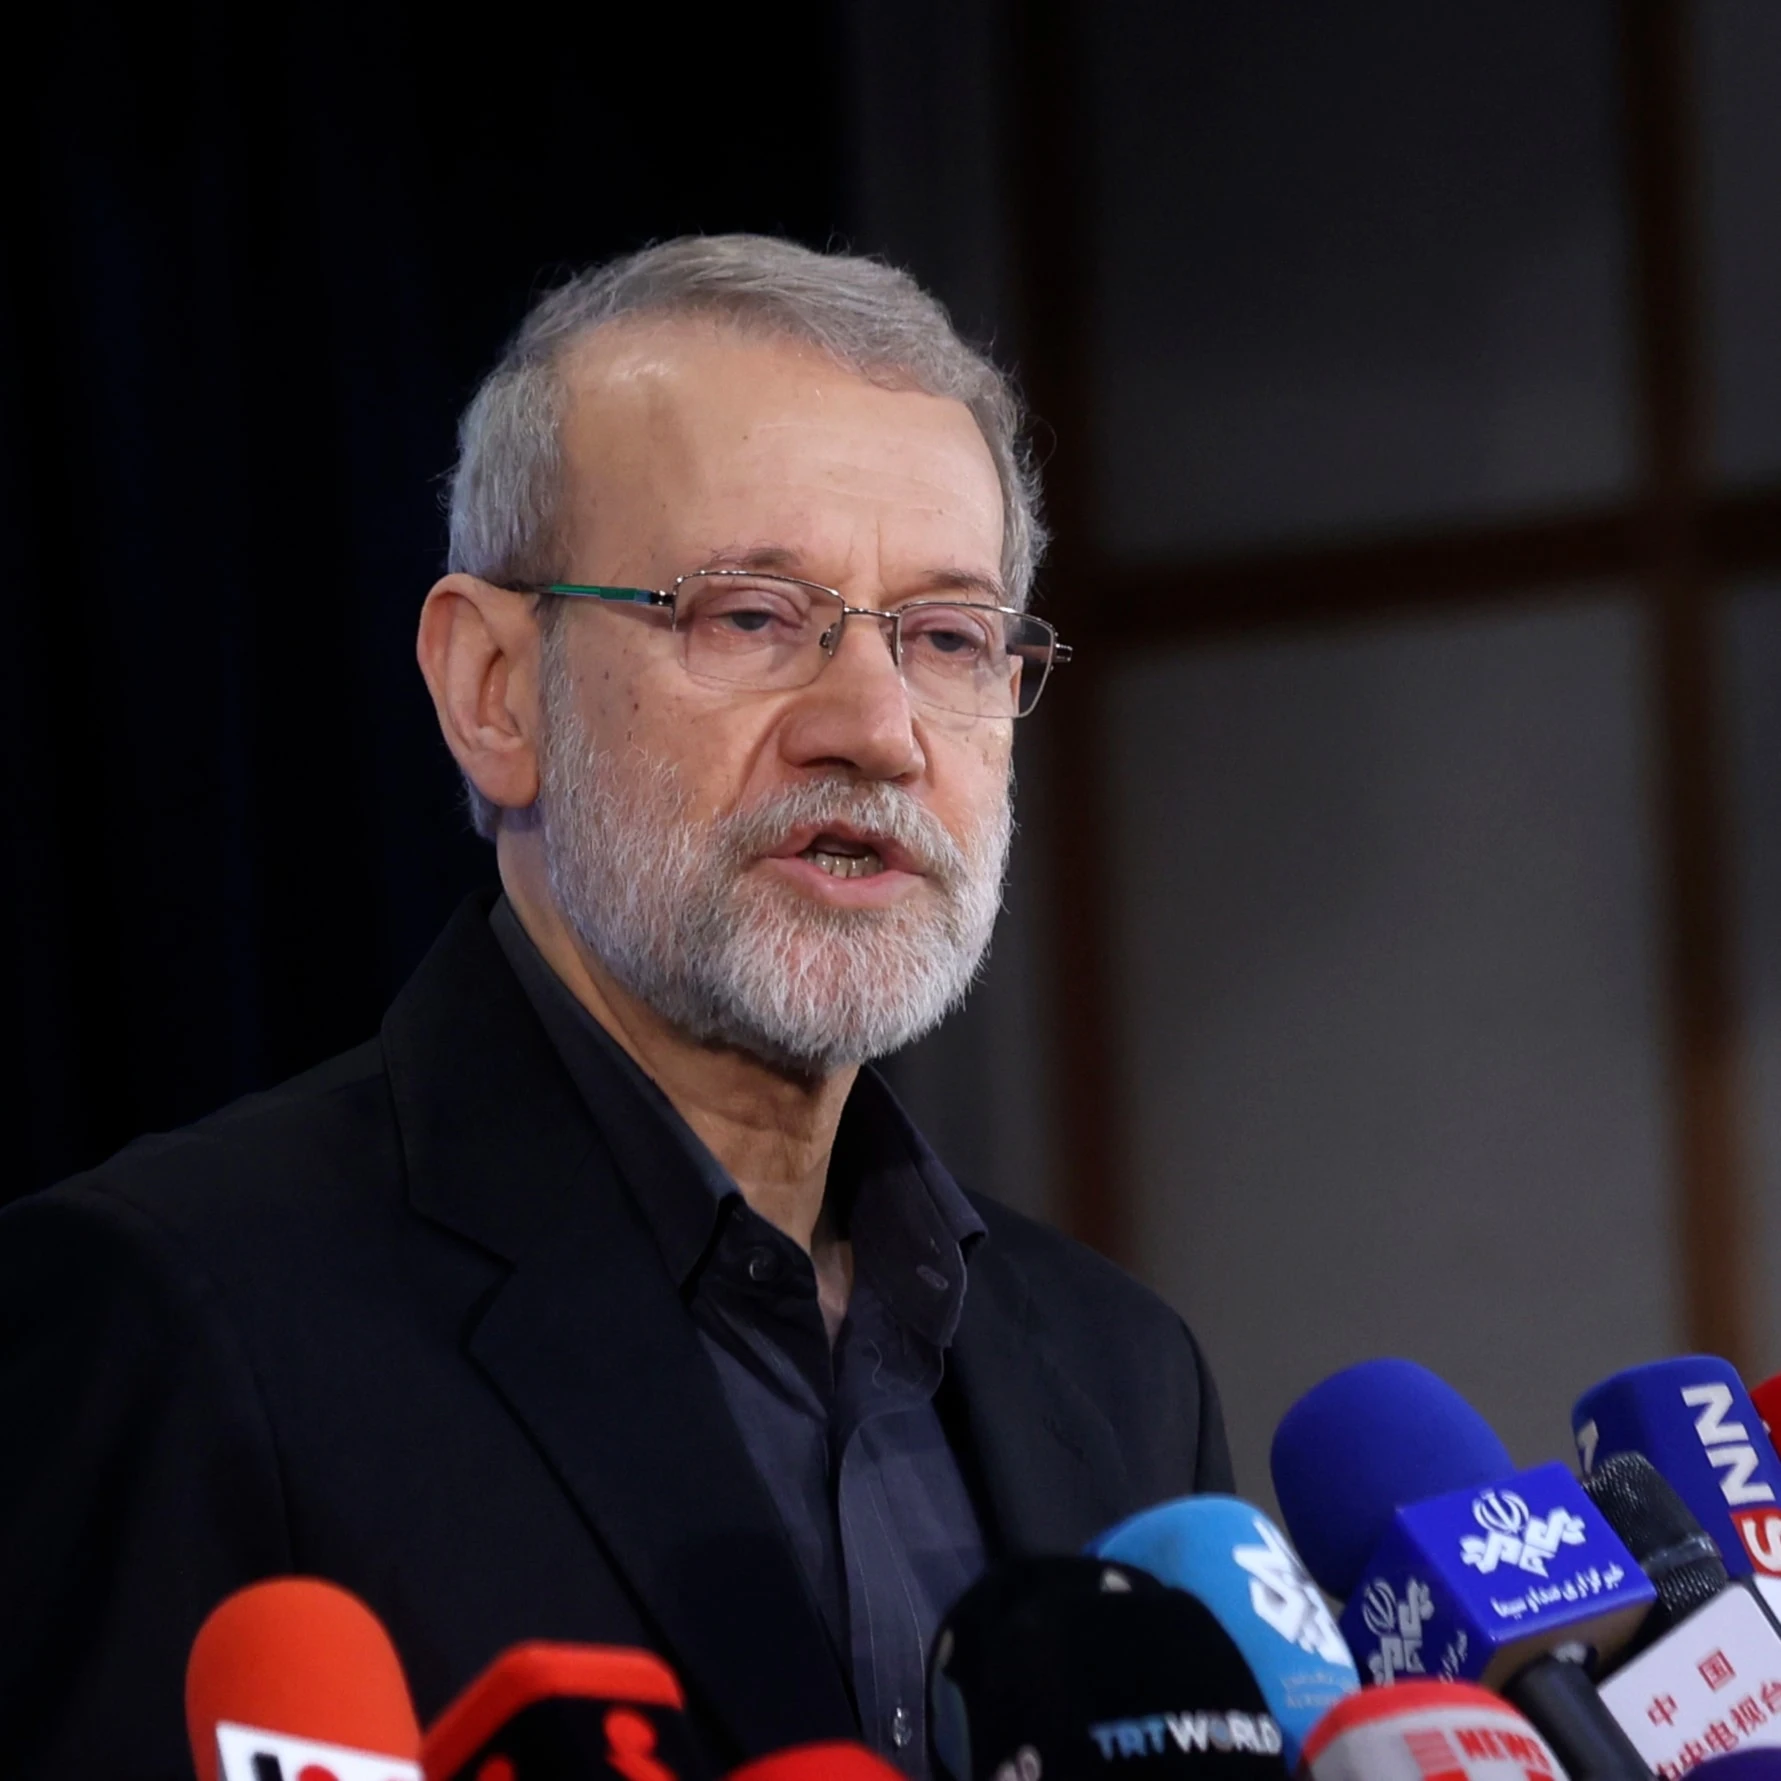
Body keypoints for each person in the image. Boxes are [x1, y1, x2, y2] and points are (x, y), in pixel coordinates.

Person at [0, 236, 1230, 1779]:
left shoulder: (1120, 1373)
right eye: (752, 616)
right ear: (495, 691)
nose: (878, 732)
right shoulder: (182, 1318)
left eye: (948, 638)